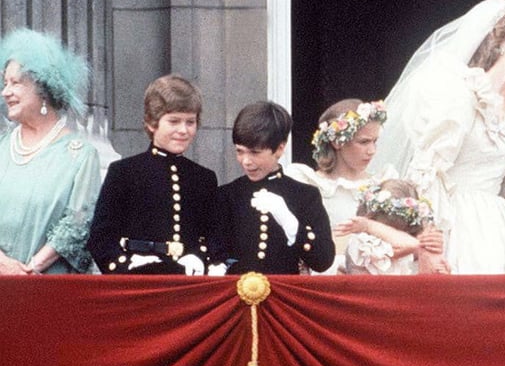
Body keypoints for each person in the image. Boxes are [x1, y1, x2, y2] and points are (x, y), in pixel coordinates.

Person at [372, 0, 505, 274]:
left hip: (501, 232)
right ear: (498, 38)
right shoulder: (459, 92)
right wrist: (429, 246)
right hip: (453, 226)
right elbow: (429, 173)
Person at [88, 75, 218, 275]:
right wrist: (126, 263)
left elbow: (213, 236)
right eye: (174, 121)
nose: (183, 130)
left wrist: (199, 257)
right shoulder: (124, 173)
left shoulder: (203, 178)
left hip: (187, 283)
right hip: (138, 282)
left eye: (190, 122)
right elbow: (101, 238)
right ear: (151, 123)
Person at [0, 28, 101, 274]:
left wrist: (29, 269)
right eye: (5, 83)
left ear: (44, 88)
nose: (5, 92)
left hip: (50, 287)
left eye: (16, 83)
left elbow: (78, 225)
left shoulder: (80, 156)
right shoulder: (2, 147)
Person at [213, 101, 334, 275]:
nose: (246, 161)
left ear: (279, 148)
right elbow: (217, 251)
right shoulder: (227, 195)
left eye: (255, 152)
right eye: (240, 151)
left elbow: (323, 261)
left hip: (284, 297)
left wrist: (290, 223)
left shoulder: (305, 196)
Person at [285, 98, 397, 275]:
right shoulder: (309, 183)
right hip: (325, 278)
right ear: (338, 142)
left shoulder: (382, 183)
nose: (372, 151)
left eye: (375, 141)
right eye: (364, 142)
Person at [341, 179, 446, 275]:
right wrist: (368, 226)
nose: (391, 239)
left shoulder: (410, 249)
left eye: (402, 230)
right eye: (388, 229)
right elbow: (410, 244)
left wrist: (433, 269)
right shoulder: (362, 244)